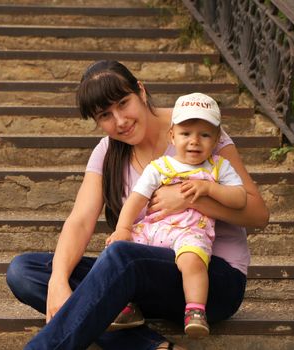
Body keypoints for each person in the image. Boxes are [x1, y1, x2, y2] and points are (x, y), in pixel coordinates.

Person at [6, 60, 269, 350]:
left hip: (211, 280)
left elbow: (258, 214)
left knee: (121, 256)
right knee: (25, 271)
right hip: (144, 282)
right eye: (106, 115)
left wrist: (192, 198)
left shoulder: (195, 130)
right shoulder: (107, 153)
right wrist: (57, 280)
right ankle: (151, 347)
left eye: (123, 103)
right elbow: (80, 220)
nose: (120, 120)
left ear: (141, 91)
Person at [105, 92, 247, 338]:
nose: (194, 141)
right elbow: (136, 199)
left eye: (204, 135)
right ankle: (126, 306)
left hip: (191, 232)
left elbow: (240, 198)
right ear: (172, 135)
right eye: (185, 134)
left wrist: (210, 188)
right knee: (115, 252)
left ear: (215, 140)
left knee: (193, 260)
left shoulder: (218, 167)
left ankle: (195, 310)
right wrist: (123, 229)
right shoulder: (160, 166)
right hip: (153, 230)